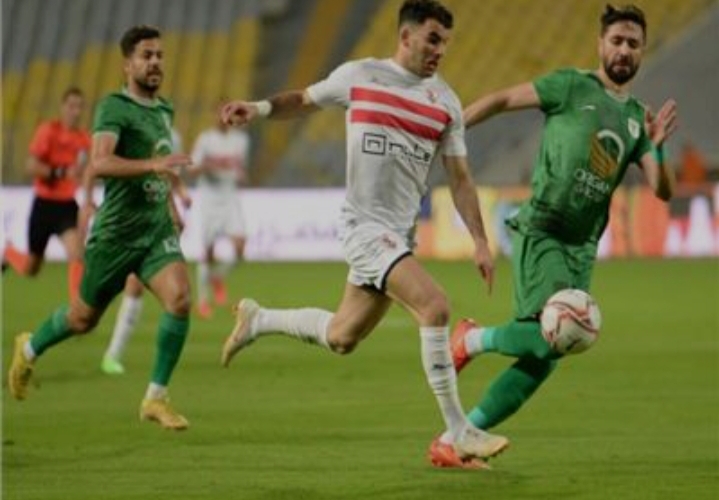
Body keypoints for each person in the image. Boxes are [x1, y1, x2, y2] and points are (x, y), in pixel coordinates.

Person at [219, 0, 509, 465]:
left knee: (342, 337)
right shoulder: (360, 75)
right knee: (435, 306)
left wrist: (478, 239)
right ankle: (459, 432)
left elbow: (460, 178)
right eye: (433, 39)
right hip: (364, 228)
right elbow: (304, 100)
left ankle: (259, 320)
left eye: (446, 43)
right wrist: (257, 108)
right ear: (406, 36)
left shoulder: (446, 102)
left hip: (398, 236)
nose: (440, 50)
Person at [432, 4, 678, 467]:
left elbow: (663, 190)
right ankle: (470, 340)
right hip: (544, 228)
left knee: (547, 357)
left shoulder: (640, 120)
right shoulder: (570, 85)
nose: (624, 50)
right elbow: (503, 99)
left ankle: (453, 441)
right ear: (600, 44)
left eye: (633, 44)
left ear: (642, 51)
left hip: (582, 247)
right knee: (547, 339)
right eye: (617, 41)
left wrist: (659, 150)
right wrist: (453, 129)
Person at [8, 25, 194, 430]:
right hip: (115, 235)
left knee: (180, 298)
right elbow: (101, 162)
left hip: (154, 231)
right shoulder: (113, 107)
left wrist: (170, 204)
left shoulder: (164, 109)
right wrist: (153, 166)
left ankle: (155, 398)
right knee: (82, 319)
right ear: (128, 64)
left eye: (159, 55)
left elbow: (158, 163)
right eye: (146, 55)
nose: (155, 62)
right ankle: (30, 348)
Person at [81, 128, 191, 376]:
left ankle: (113, 354)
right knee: (85, 314)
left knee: (136, 287)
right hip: (123, 223)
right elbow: (95, 166)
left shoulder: (167, 130)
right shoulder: (127, 128)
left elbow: (163, 174)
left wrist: (175, 203)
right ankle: (107, 350)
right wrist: (87, 201)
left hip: (152, 222)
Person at [3, 87, 91, 301]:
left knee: (77, 253)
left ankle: (77, 306)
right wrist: (60, 172)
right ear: (62, 107)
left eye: (79, 107)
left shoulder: (84, 139)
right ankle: (8, 253)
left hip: (67, 205)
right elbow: (31, 166)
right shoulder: (48, 131)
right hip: (44, 205)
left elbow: (86, 172)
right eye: (71, 106)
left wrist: (89, 198)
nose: (76, 111)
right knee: (31, 268)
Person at [187, 101, 250, 319]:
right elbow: (192, 169)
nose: (223, 117)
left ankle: (218, 277)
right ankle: (203, 301)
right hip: (209, 199)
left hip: (230, 197)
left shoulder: (241, 140)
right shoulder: (205, 140)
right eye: (219, 113)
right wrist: (206, 166)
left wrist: (240, 175)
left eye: (227, 112)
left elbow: (240, 170)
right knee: (207, 252)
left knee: (240, 247)